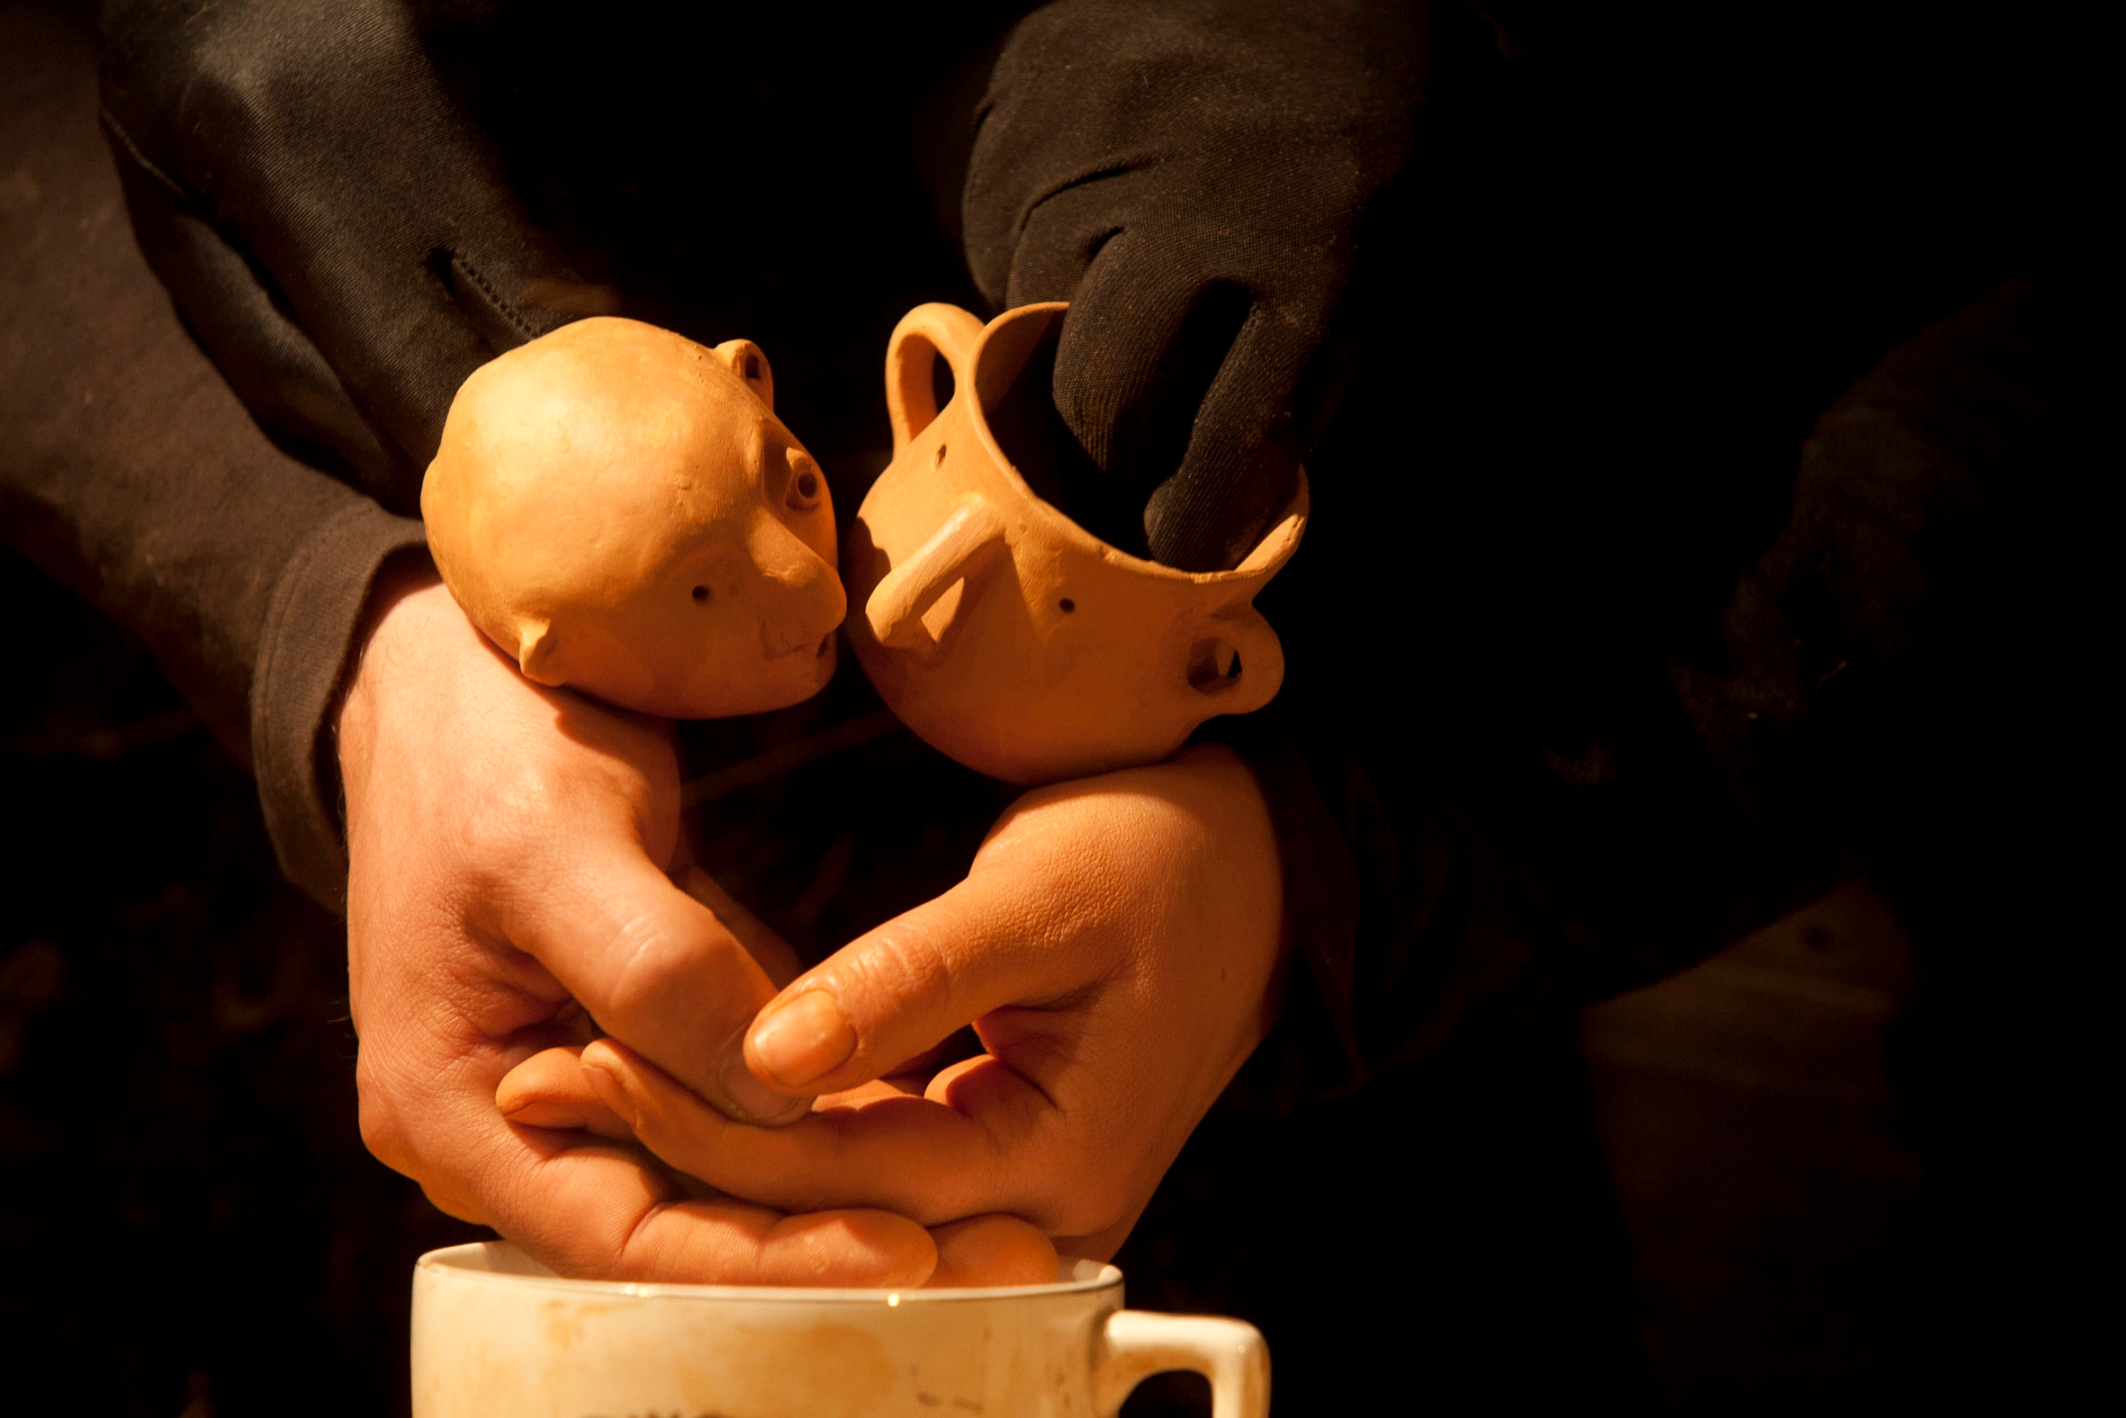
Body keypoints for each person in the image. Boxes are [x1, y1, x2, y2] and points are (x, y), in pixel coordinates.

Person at [3, 0, 2093, 1405]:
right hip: (235, 958)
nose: (855, 584)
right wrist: (341, 613)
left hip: (1382, 853)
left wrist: (1352, 861)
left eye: (804, 503)